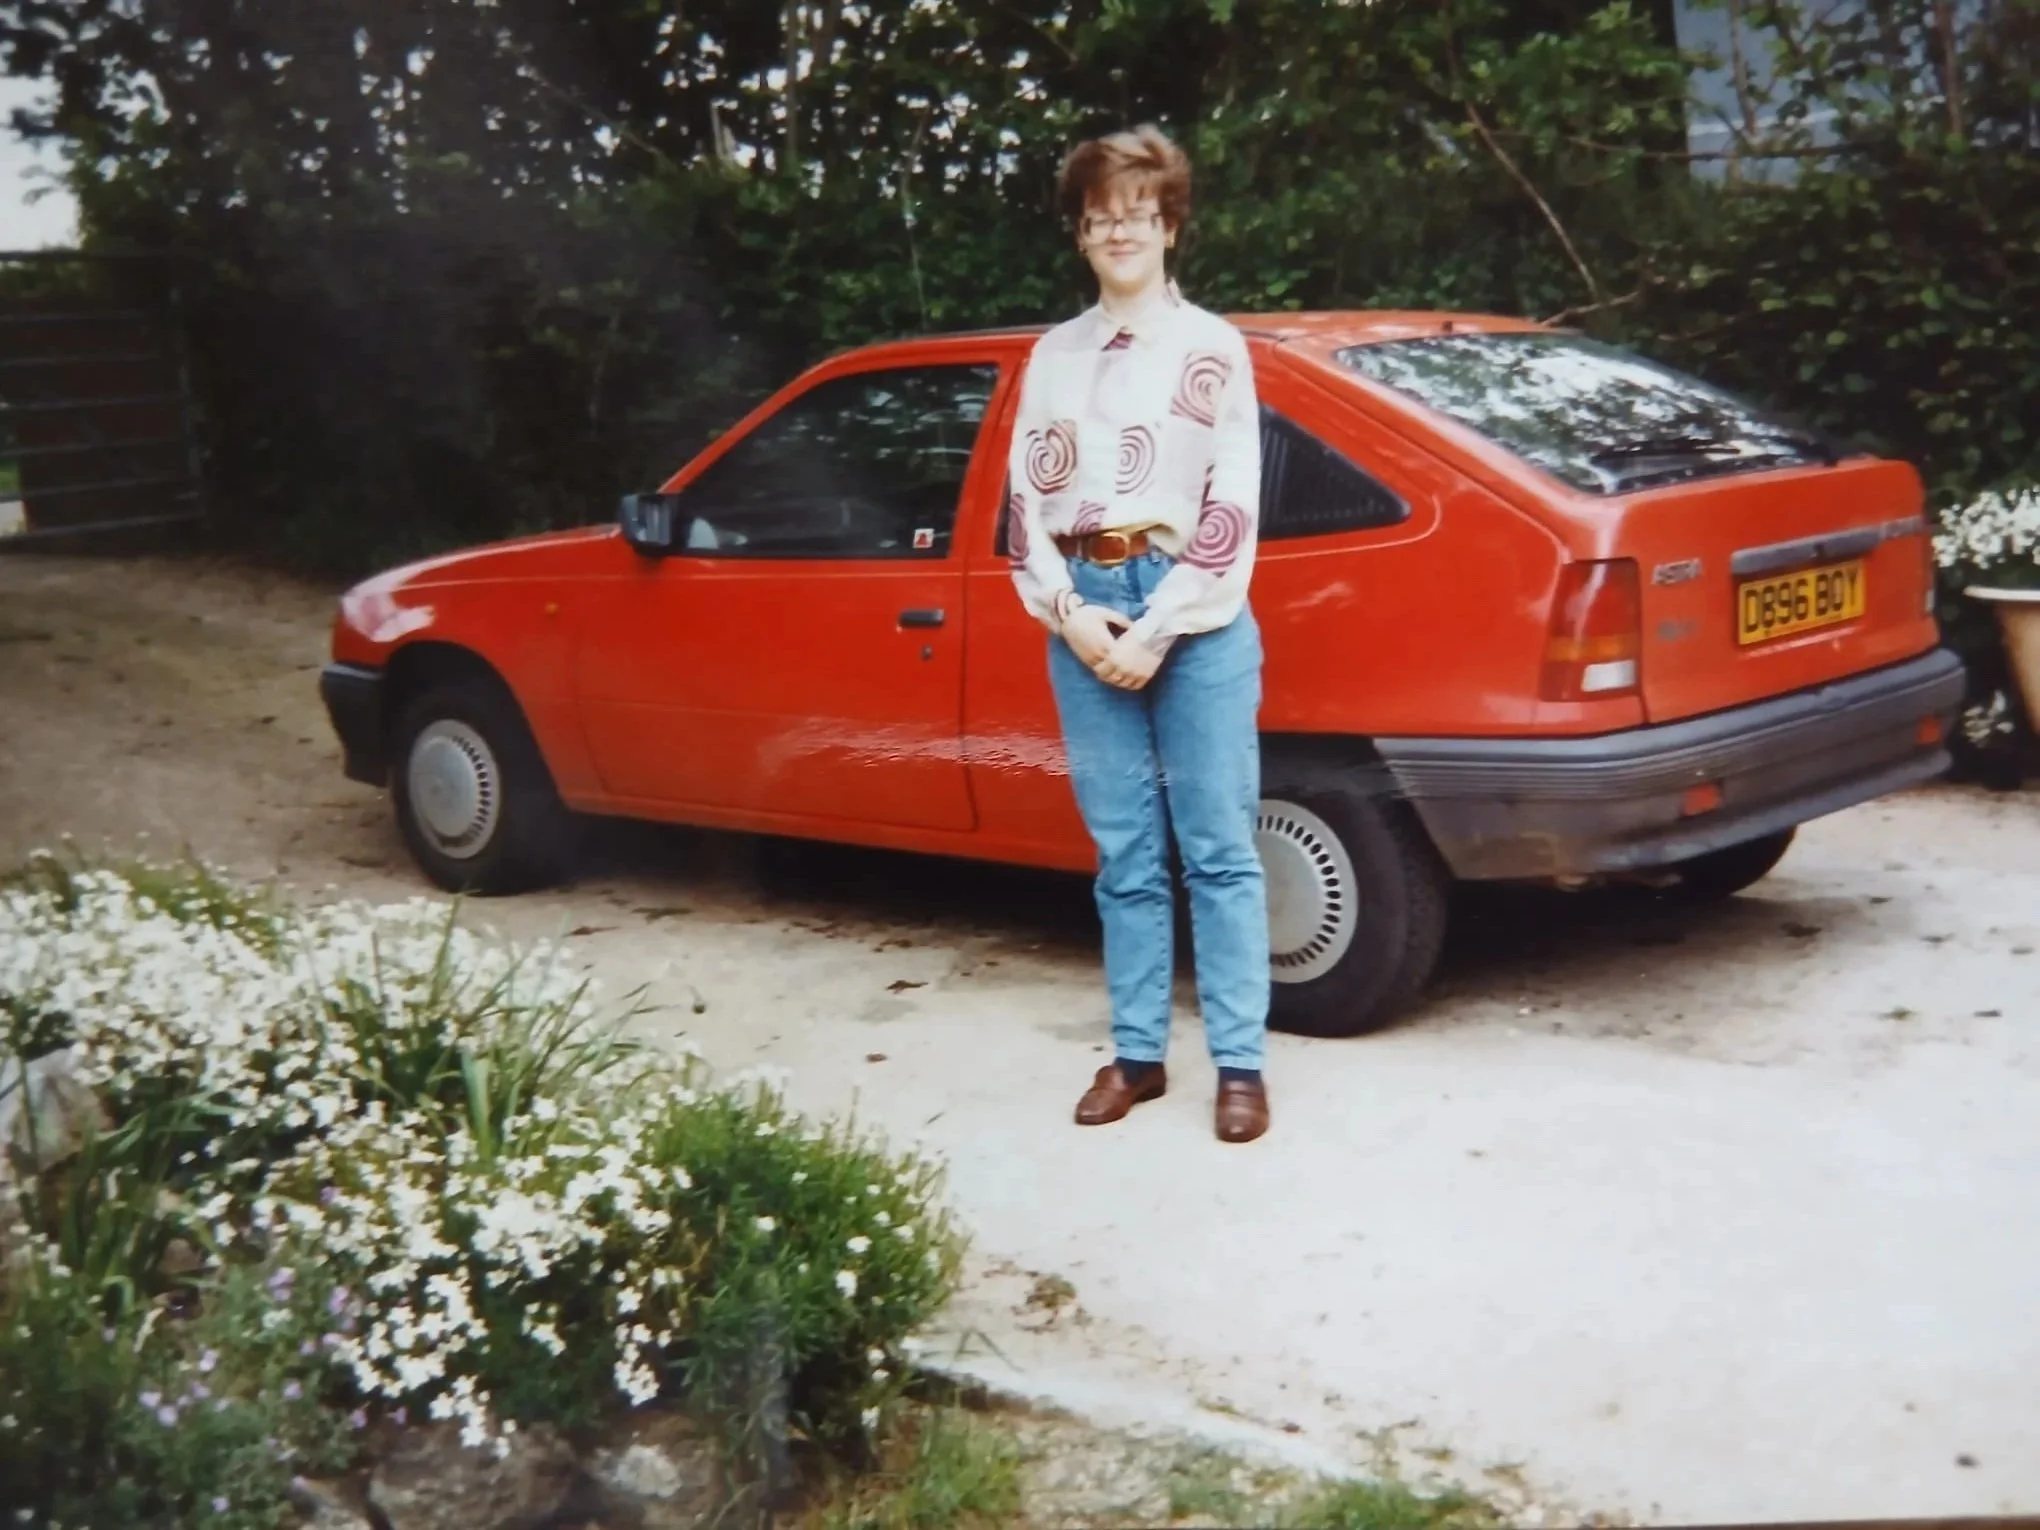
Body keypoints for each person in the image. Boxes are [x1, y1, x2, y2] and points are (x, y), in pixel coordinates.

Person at [1004, 124, 1271, 1145]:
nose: (1121, 229)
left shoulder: (1215, 350)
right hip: (1084, 602)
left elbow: (1232, 503)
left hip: (1193, 612)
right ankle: (1137, 1055)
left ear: (1171, 226)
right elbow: (1022, 504)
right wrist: (1072, 613)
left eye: (1139, 212)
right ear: (1081, 234)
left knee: (1217, 848)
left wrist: (1155, 631)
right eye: (1101, 215)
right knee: (1123, 853)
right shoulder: (1052, 357)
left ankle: (1240, 1065)